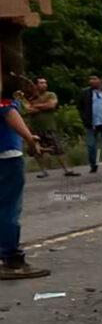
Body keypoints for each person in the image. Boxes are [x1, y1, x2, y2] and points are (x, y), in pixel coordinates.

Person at [0, 98, 49, 279]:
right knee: (8, 207)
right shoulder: (3, 93)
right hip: (6, 155)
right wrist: (29, 139)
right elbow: (8, 113)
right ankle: (12, 260)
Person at [22, 77, 78, 178]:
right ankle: (43, 171)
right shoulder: (29, 97)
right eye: (41, 83)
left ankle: (67, 169)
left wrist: (36, 106)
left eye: (45, 83)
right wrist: (42, 106)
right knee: (36, 150)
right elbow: (28, 109)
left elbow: (51, 105)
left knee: (58, 148)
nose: (44, 85)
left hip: (49, 127)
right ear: (35, 85)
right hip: (35, 128)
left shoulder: (50, 94)